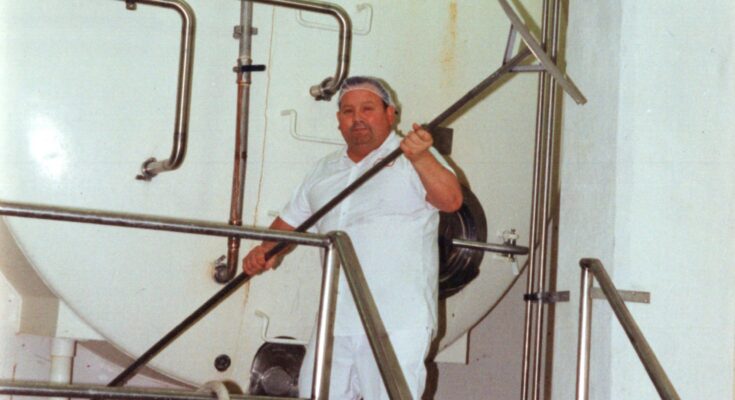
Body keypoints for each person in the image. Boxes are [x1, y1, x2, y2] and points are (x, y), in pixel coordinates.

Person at [242, 76, 462, 399]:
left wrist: (420, 158)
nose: (357, 118)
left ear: (390, 114)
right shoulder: (324, 169)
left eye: (368, 109)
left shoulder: (413, 158)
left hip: (395, 322)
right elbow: (291, 221)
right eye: (348, 111)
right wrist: (266, 250)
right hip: (335, 323)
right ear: (338, 120)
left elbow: (451, 200)